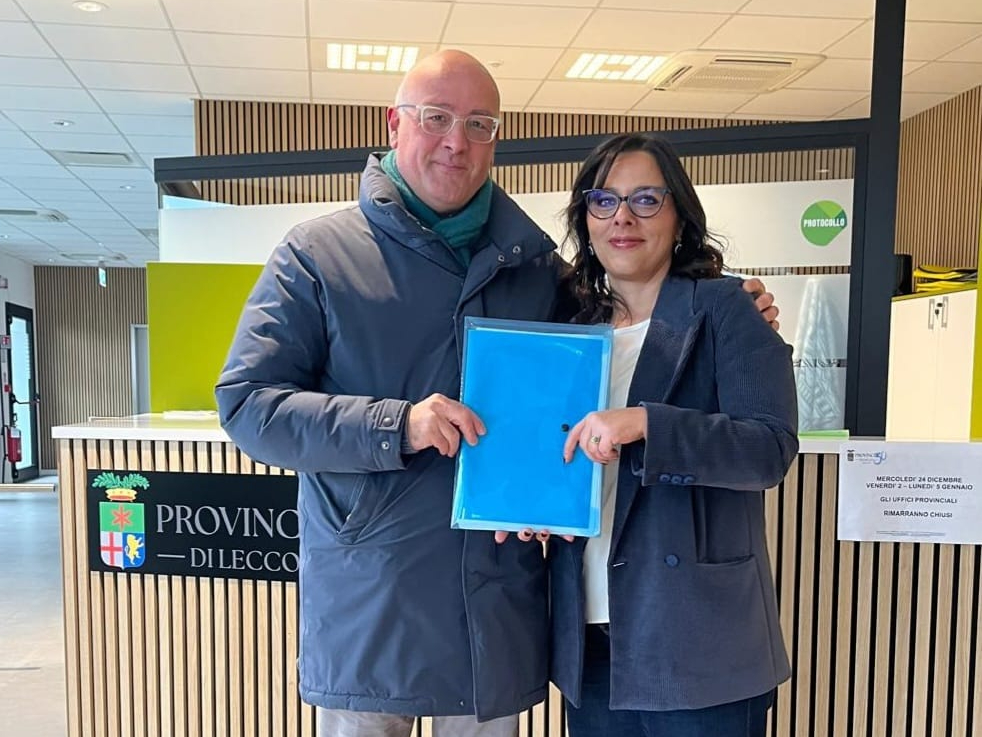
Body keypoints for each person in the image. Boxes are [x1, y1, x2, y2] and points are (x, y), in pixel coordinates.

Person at [216, 50, 779, 737]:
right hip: (373, 605)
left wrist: (736, 300)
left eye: (478, 123)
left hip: (498, 611)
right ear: (395, 124)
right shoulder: (317, 255)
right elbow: (247, 405)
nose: (456, 141)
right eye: (436, 118)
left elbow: (602, 375)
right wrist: (397, 424)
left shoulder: (539, 271)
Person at [549, 132, 798, 737]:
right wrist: (532, 505)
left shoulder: (727, 309)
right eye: (604, 200)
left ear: (679, 216)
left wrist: (647, 423)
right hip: (591, 638)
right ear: (586, 218)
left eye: (646, 199)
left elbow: (768, 449)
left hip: (698, 639)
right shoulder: (570, 329)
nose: (623, 217)